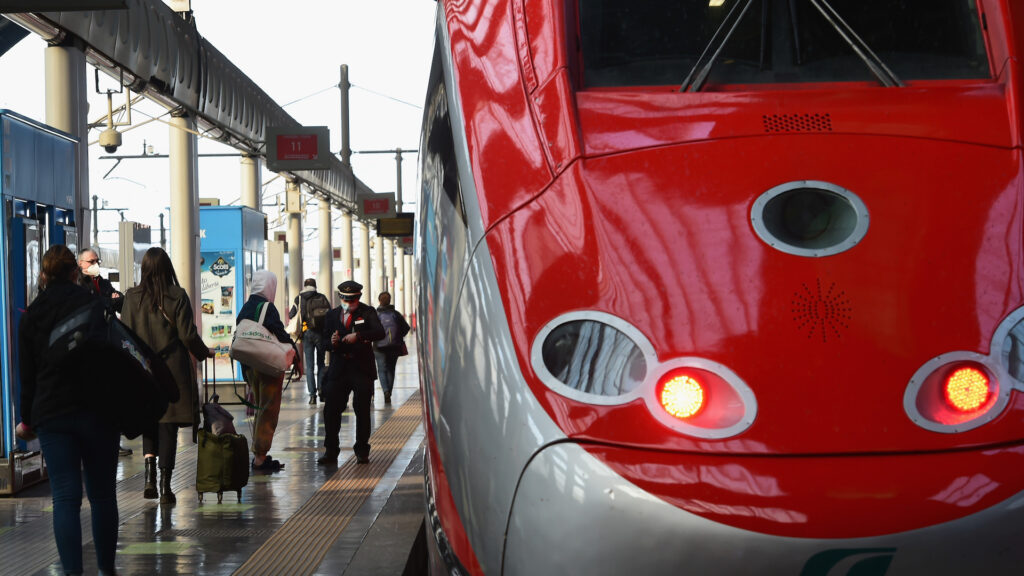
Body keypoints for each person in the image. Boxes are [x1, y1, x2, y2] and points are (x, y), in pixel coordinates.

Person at [18, 245, 120, 576]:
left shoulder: (32, 315)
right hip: (98, 410)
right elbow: (112, 357)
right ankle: (106, 570)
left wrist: (26, 419)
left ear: (44, 275)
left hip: (52, 413)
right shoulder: (94, 304)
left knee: (65, 497)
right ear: (75, 273)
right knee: (103, 495)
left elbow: (27, 373)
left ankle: (73, 573)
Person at [121, 247, 214, 504]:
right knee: (168, 426)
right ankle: (165, 486)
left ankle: (149, 477)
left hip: (143, 370)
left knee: (148, 420)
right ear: (167, 267)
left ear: (145, 269)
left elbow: (125, 337)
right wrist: (203, 352)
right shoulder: (177, 296)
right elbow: (187, 335)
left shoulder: (131, 297)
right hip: (171, 370)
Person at [237, 270, 298, 471]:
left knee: (259, 409)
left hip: (249, 367)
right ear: (270, 286)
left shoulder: (246, 307)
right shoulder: (267, 308)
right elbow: (281, 335)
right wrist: (295, 354)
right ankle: (260, 458)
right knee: (268, 410)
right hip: (267, 368)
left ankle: (258, 454)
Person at [318, 280, 384, 465]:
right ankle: (331, 451)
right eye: (347, 299)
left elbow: (379, 332)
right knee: (331, 411)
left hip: (361, 369)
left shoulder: (367, 312)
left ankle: (362, 451)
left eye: (354, 299)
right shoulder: (331, 315)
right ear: (340, 298)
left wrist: (359, 336)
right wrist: (332, 342)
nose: (350, 302)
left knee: (362, 410)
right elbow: (323, 343)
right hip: (338, 370)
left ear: (359, 297)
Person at [78, 247, 134, 458]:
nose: (95, 264)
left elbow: (119, 300)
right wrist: (108, 300)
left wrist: (112, 299)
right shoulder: (78, 285)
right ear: (81, 264)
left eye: (97, 260)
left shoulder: (102, 282)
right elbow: (94, 305)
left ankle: (113, 440)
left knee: (111, 395)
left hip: (108, 345)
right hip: (90, 349)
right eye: (91, 261)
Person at [288, 278, 330, 405]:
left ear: (305, 286)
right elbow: (330, 313)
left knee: (310, 366)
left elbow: (291, 315)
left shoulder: (299, 298)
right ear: (315, 286)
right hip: (321, 334)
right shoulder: (322, 297)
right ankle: (322, 391)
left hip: (306, 333)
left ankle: (312, 396)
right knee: (321, 363)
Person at [373, 291, 410, 404]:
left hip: (379, 346)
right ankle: (389, 391)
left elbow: (371, 330)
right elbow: (406, 328)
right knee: (391, 369)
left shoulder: (375, 315)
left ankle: (385, 391)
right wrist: (398, 336)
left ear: (380, 301)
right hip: (394, 346)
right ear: (390, 301)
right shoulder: (396, 314)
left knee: (382, 369)